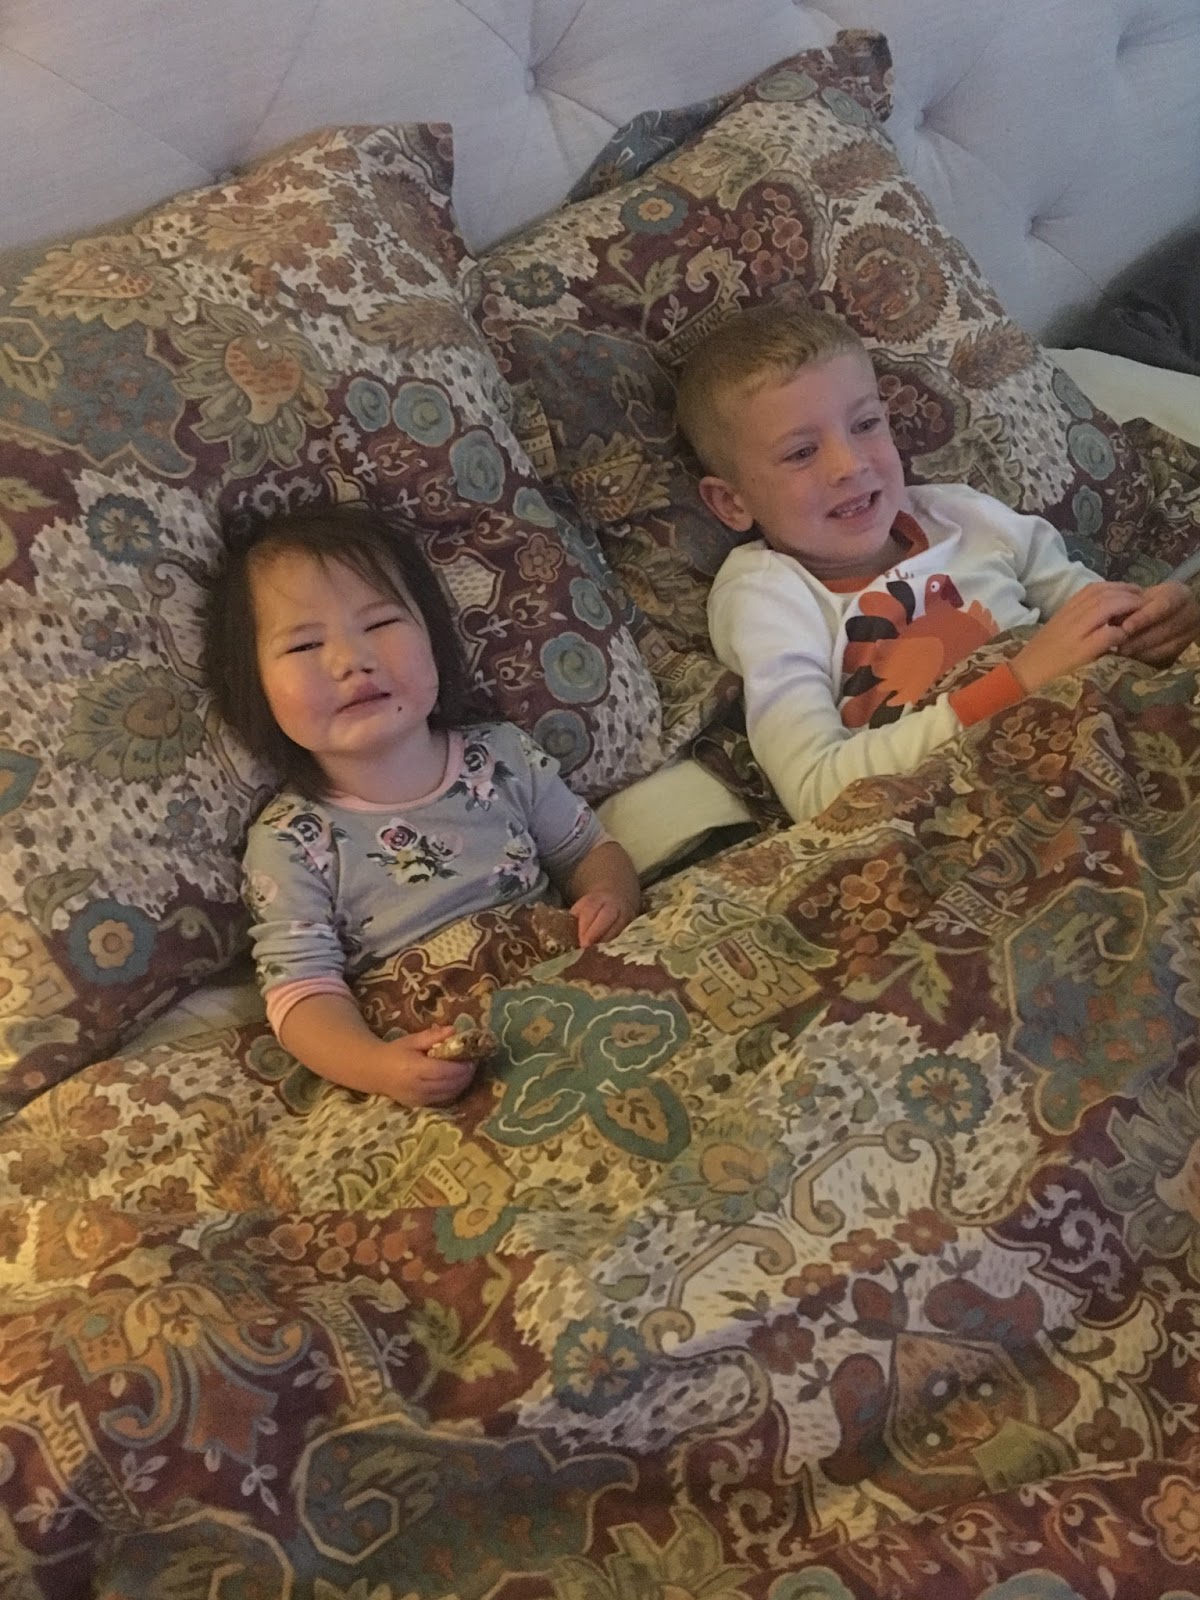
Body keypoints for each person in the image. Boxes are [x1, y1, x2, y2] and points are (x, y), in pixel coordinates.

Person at [676, 304, 1200, 823]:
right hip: (977, 803)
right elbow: (815, 787)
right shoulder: (766, 595)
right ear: (731, 502)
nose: (850, 464)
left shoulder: (962, 514)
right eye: (800, 453)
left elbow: (1091, 613)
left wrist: (1153, 624)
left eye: (865, 424)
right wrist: (1019, 680)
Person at [203, 504, 641, 1107]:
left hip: (566, 997)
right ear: (253, 687)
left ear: (434, 637)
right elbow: (302, 995)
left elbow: (589, 850)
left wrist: (612, 896)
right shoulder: (290, 842)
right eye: (304, 644)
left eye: (381, 623)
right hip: (434, 1057)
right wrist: (375, 1067)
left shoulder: (504, 756)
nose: (351, 661)